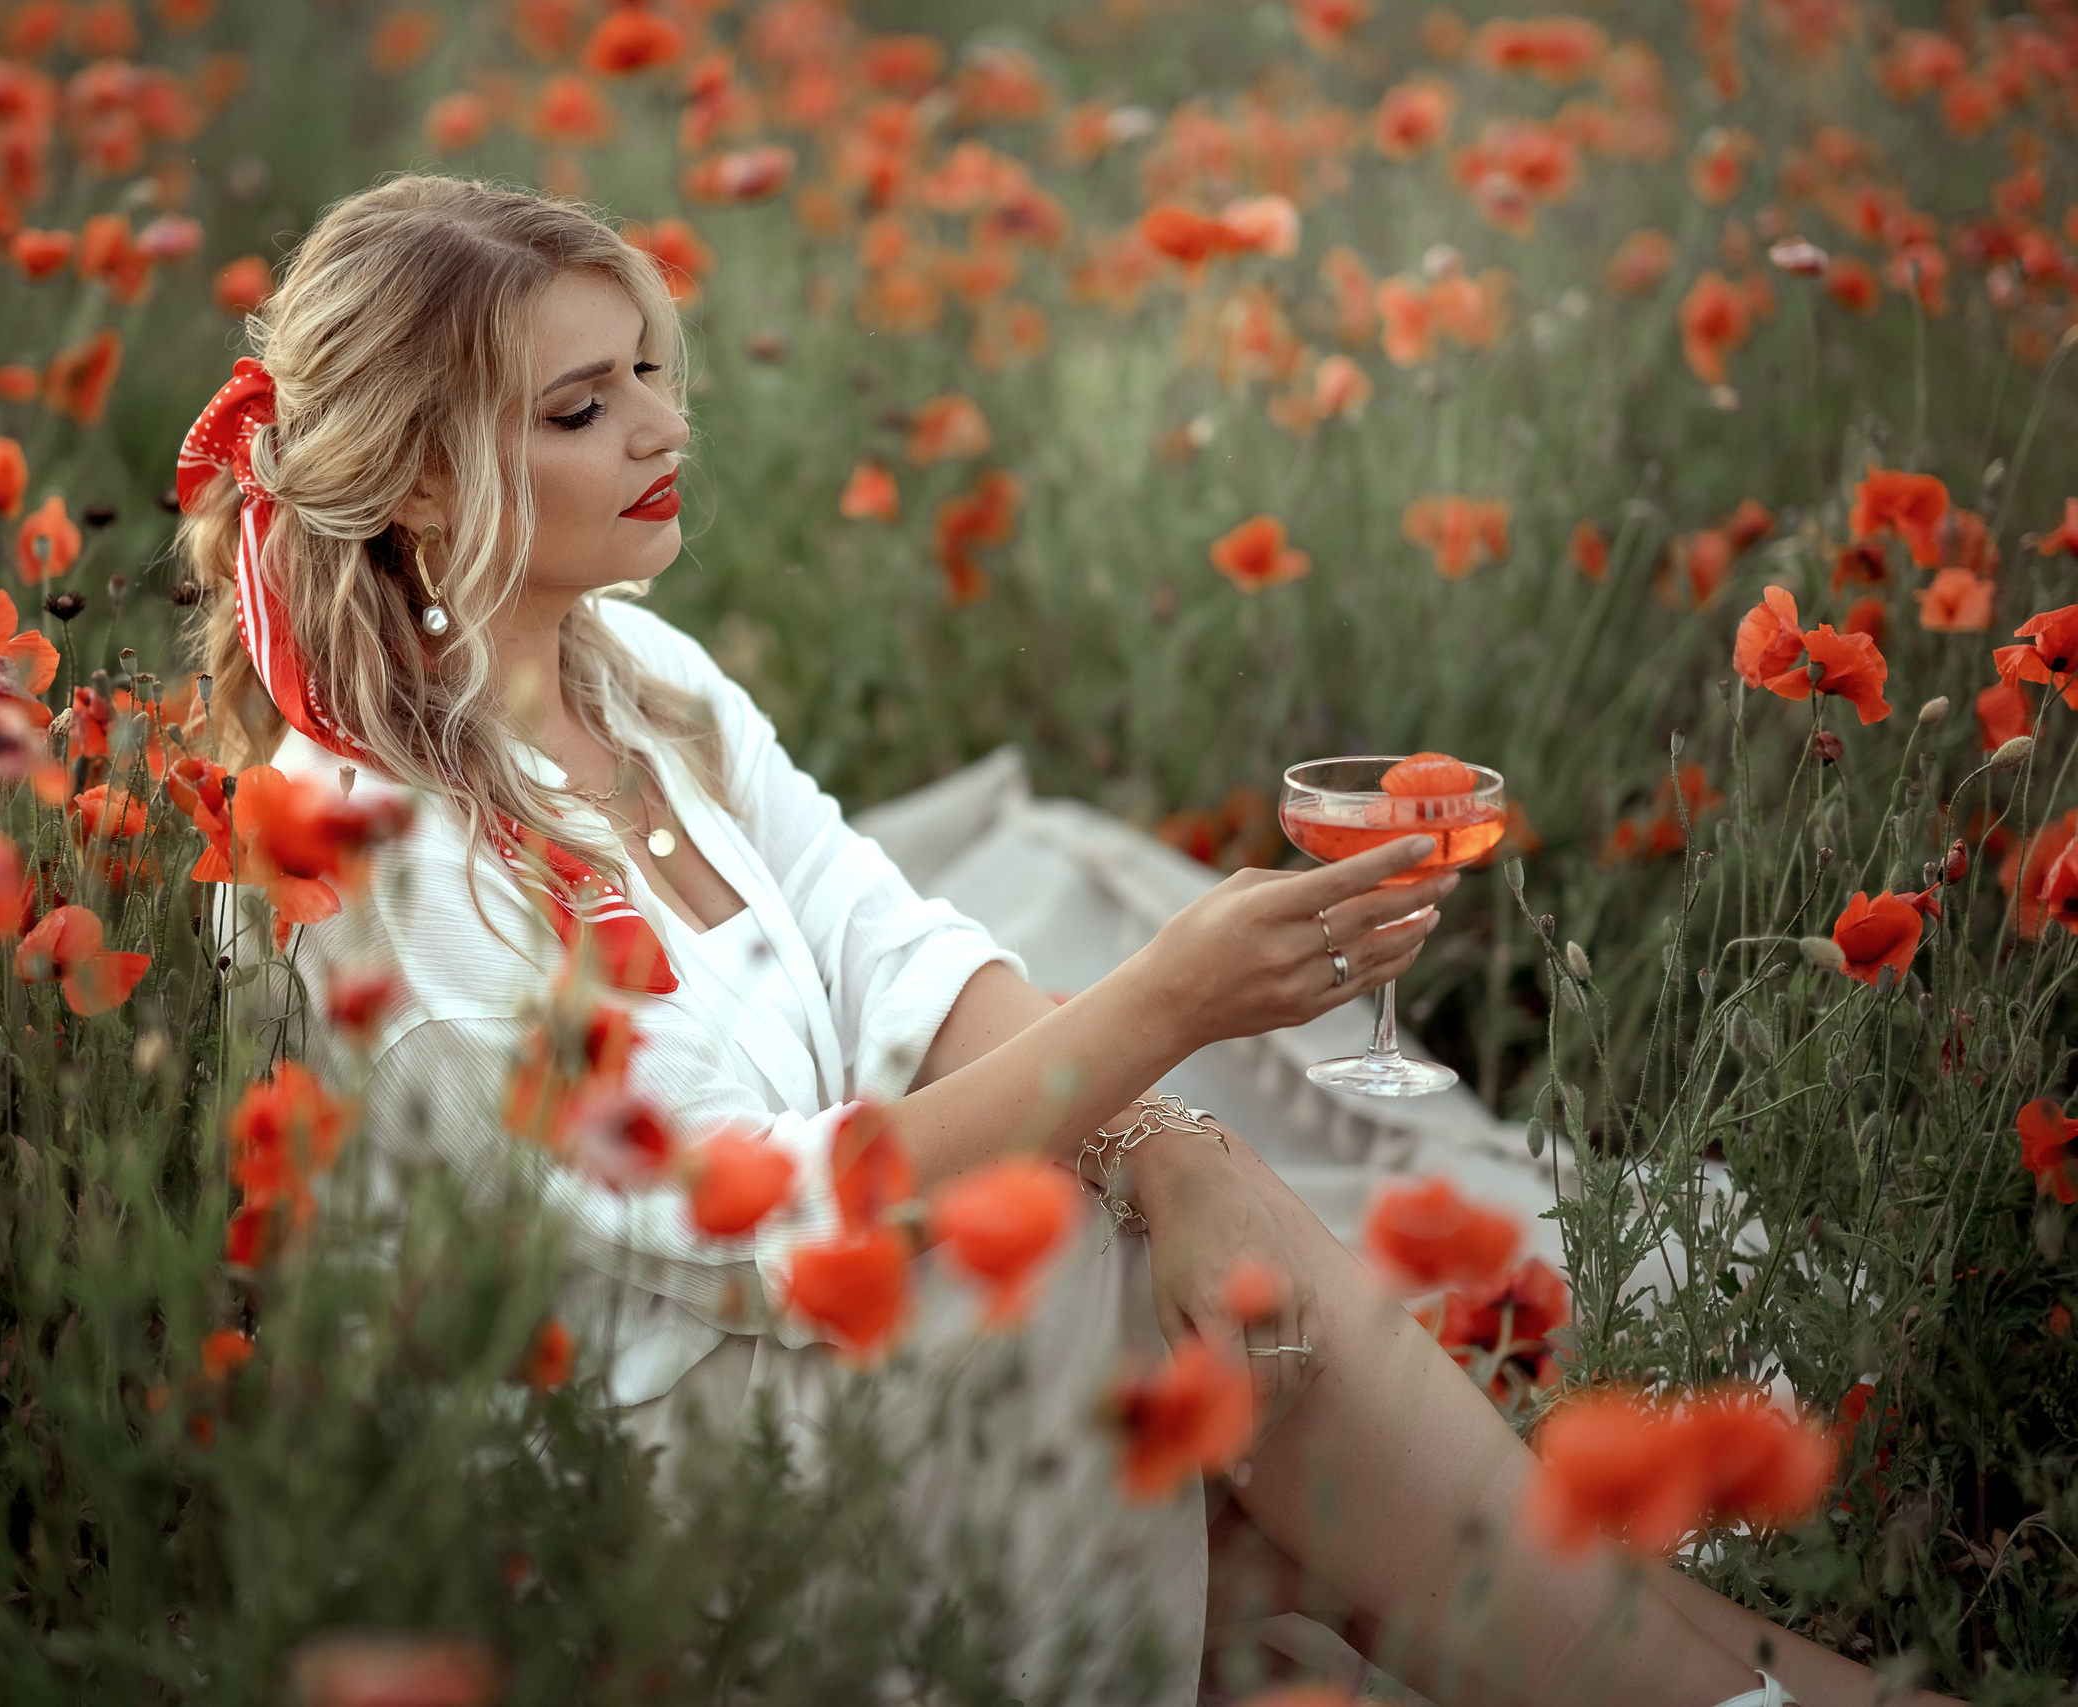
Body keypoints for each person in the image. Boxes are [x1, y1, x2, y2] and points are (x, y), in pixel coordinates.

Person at [176, 176, 1929, 1707]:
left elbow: (896, 950)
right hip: (661, 1477)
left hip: (823, 1344)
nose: (657, 429)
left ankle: (1767, 1697)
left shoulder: (649, 686)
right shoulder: (378, 865)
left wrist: (1173, 1142)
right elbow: (753, 1225)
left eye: (649, 371)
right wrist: (1165, 1009)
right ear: (415, 483)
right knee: (1183, 1344)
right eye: (580, 408)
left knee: (1245, 1383)